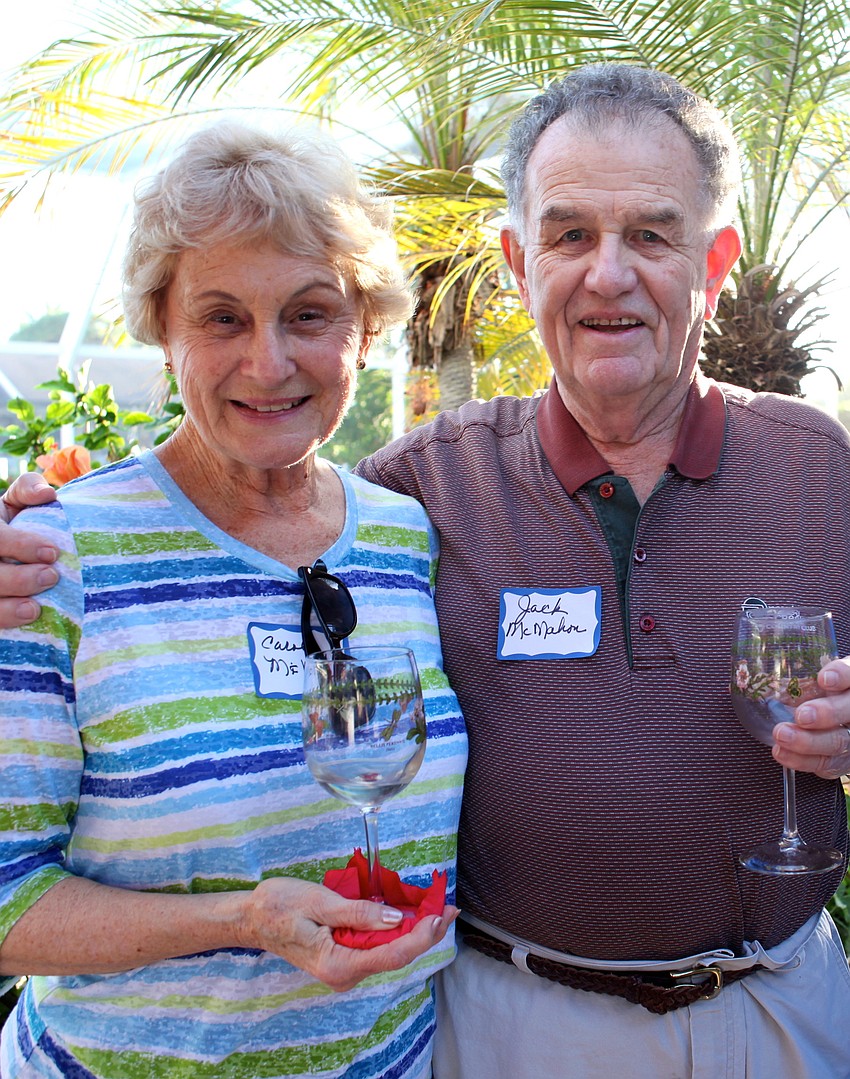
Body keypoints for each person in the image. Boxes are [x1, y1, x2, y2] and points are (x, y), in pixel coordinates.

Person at [3, 63, 850, 1079]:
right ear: (516, 259)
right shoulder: (420, 491)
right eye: (569, 233)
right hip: (507, 1024)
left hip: (767, 1009)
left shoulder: (816, 467)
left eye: (651, 234)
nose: (607, 274)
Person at [0, 121, 467, 1079]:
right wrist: (242, 922)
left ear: (364, 330)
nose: (268, 362)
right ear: (161, 326)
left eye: (308, 314)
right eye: (221, 318)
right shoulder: (57, 557)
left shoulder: (405, 536)